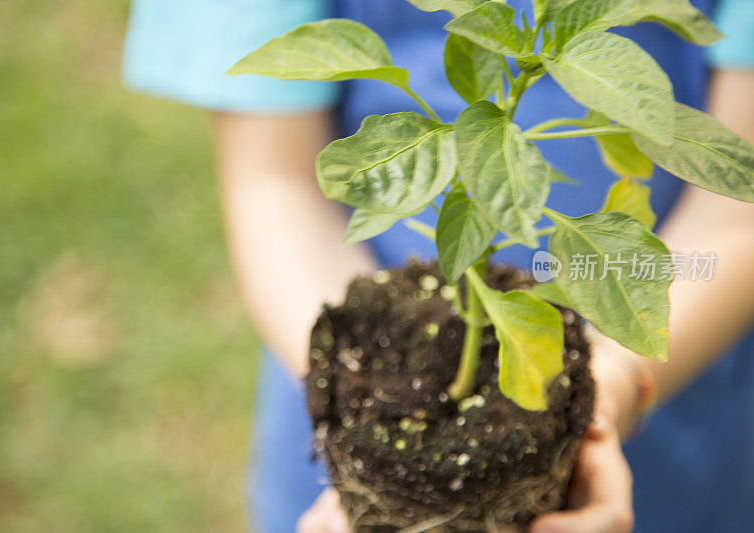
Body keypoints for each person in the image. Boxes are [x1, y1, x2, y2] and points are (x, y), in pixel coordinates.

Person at [123, 1, 754, 531]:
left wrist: (614, 380)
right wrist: (354, 424)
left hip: (682, 407)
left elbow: (739, 211)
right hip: (347, 352)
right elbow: (276, 185)